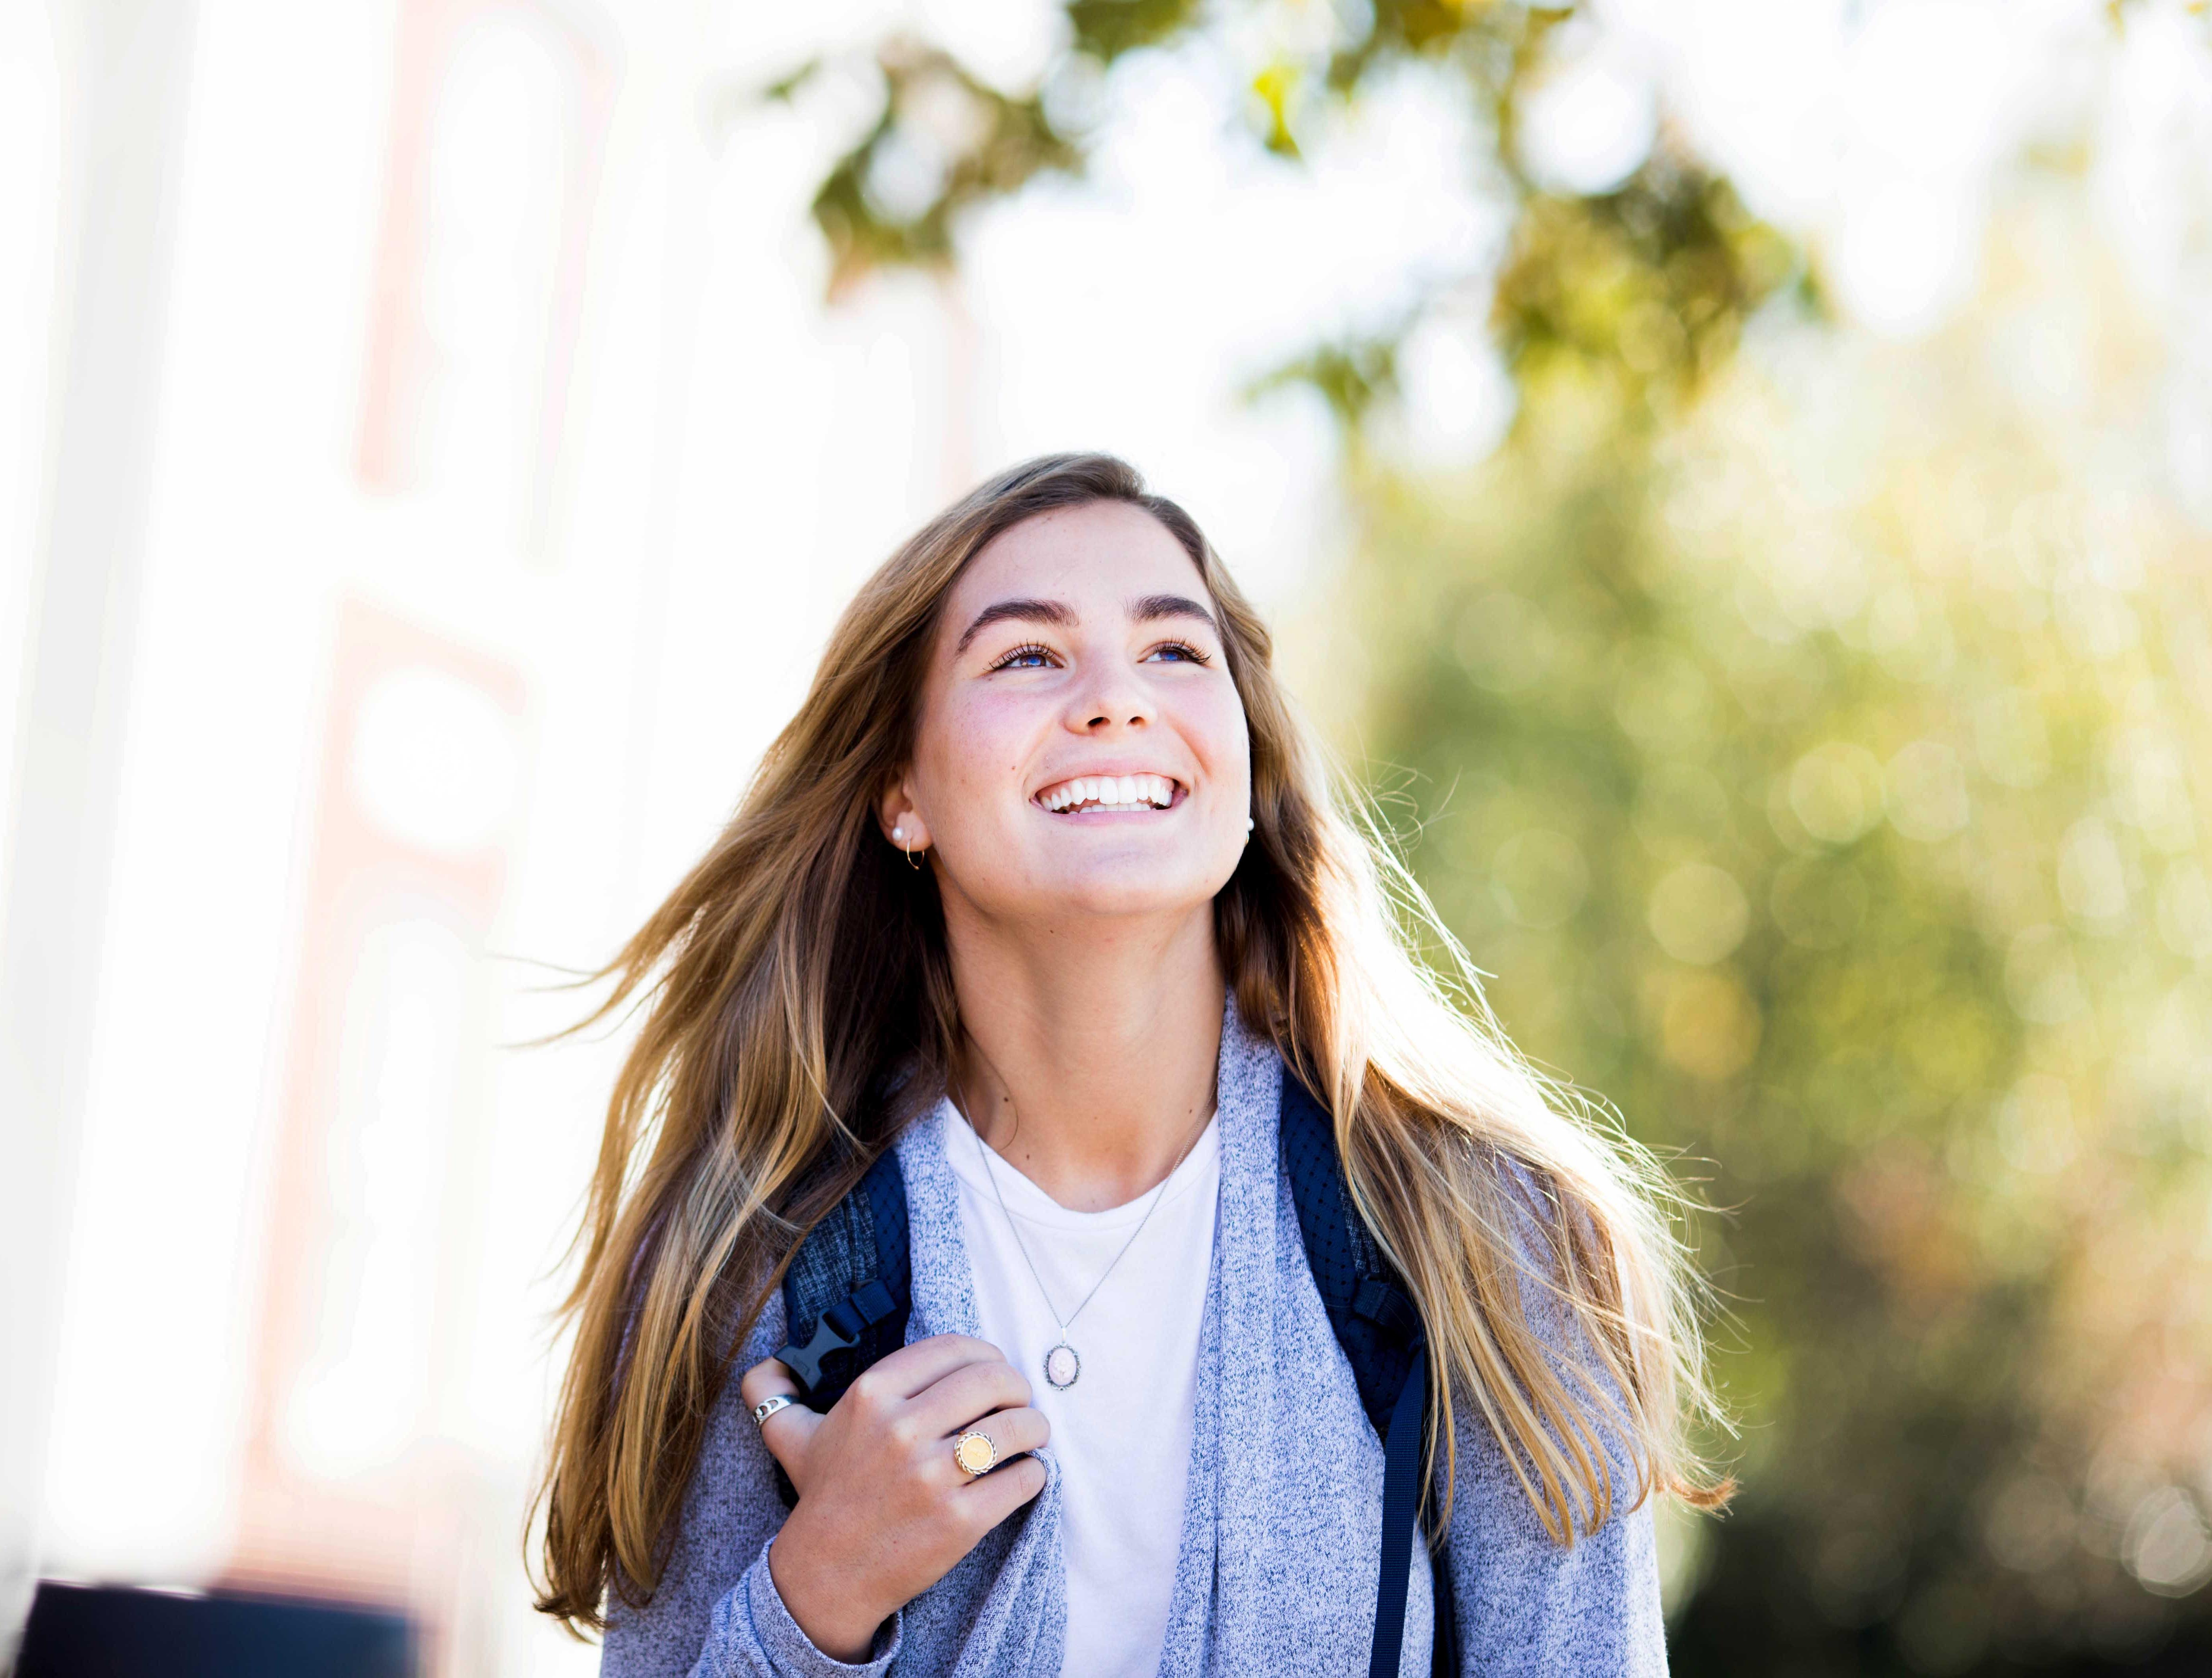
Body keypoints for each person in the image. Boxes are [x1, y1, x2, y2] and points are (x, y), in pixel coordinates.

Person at [532, 453, 1730, 1676]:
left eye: (1173, 652)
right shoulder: (749, 1268)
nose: (1116, 700)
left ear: (1245, 764)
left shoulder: (1483, 1239)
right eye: (1025, 657)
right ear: (902, 791)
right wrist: (816, 1595)